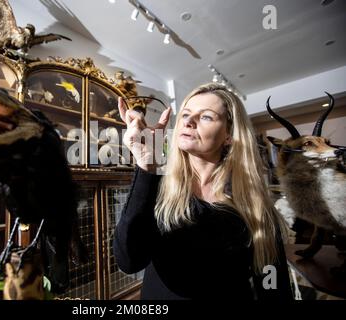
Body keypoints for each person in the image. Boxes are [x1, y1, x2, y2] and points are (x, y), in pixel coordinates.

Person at [114, 83, 293, 300]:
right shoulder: (157, 189)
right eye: (186, 114)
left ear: (229, 135)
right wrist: (145, 164)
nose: (189, 121)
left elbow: (272, 280)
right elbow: (129, 260)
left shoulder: (254, 205)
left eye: (206, 117)